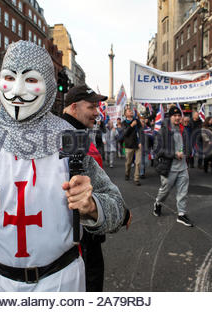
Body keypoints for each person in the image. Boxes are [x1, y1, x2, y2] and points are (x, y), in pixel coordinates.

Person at [0, 41, 127, 292]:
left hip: (61, 282)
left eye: (30, 80)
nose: (17, 90)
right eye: (10, 78)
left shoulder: (71, 138)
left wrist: (92, 206)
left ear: (48, 86)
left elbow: (116, 208)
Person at [62, 85, 131, 292]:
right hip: (79, 237)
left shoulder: (78, 132)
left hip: (86, 228)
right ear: (74, 107)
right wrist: (120, 212)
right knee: (89, 283)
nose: (97, 112)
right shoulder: (68, 136)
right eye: (92, 107)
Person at [153, 106, 193, 227]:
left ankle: (181, 214)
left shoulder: (183, 130)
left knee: (183, 191)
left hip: (182, 167)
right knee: (165, 191)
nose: (177, 118)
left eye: (178, 115)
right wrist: (174, 154)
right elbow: (157, 150)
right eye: (174, 116)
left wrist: (187, 152)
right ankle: (158, 203)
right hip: (169, 167)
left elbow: (186, 145)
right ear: (169, 117)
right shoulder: (163, 131)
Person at [122, 108, 142, 186]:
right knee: (128, 162)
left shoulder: (137, 121)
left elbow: (141, 132)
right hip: (129, 145)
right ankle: (127, 174)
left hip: (137, 145)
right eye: (129, 111)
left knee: (138, 163)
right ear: (125, 114)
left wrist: (141, 141)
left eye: (131, 111)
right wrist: (131, 125)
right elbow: (125, 133)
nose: (131, 112)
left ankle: (136, 178)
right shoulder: (124, 123)